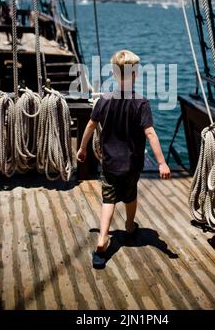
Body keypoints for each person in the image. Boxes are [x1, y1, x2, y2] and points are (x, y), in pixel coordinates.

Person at [76, 49, 171, 267]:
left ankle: (102, 238)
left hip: (109, 164)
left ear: (114, 74)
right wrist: (162, 162)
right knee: (129, 196)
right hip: (131, 166)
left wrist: (82, 150)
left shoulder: (104, 101)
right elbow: (150, 133)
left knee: (108, 200)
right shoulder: (141, 103)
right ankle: (129, 226)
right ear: (135, 75)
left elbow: (91, 126)